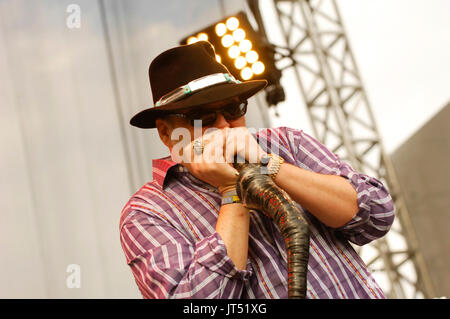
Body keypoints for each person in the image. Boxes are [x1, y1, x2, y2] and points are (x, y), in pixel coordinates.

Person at [119, 41, 395, 299]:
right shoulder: (147, 211)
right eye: (202, 117)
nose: (225, 125)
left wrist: (270, 165)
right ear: (166, 133)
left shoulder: (287, 143)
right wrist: (232, 193)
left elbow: (377, 213)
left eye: (233, 108)